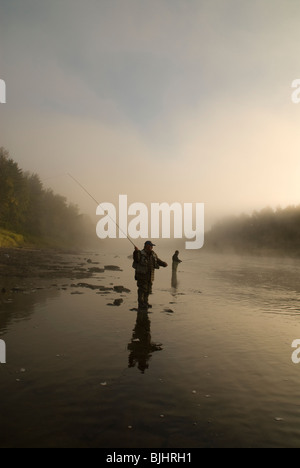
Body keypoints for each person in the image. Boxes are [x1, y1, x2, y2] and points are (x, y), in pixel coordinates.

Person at [133, 241, 168, 309]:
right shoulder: (140, 253)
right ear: (146, 246)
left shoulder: (153, 254)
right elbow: (136, 259)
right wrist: (136, 251)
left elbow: (157, 260)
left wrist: (163, 263)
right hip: (142, 275)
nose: (152, 247)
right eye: (150, 246)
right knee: (142, 290)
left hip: (150, 276)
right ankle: (141, 303)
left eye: (152, 246)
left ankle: (146, 302)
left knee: (148, 290)